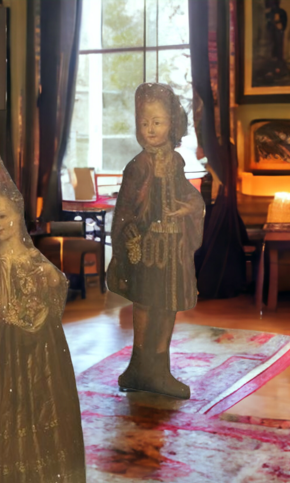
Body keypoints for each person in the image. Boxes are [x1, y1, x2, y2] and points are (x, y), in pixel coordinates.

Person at [0, 141, 86, 483]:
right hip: (2, 346)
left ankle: (39, 474)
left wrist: (35, 304)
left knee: (36, 404)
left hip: (37, 348)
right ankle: (7, 479)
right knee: (4, 408)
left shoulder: (30, 257)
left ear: (17, 214)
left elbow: (56, 282)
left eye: (2, 216)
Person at [107, 83, 205, 399]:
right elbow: (124, 209)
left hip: (172, 249)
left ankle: (160, 367)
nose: (150, 129)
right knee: (146, 303)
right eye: (144, 122)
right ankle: (139, 366)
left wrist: (190, 207)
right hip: (147, 250)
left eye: (157, 122)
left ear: (172, 124)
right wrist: (129, 236)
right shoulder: (137, 166)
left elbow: (188, 195)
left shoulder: (175, 162)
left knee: (168, 306)